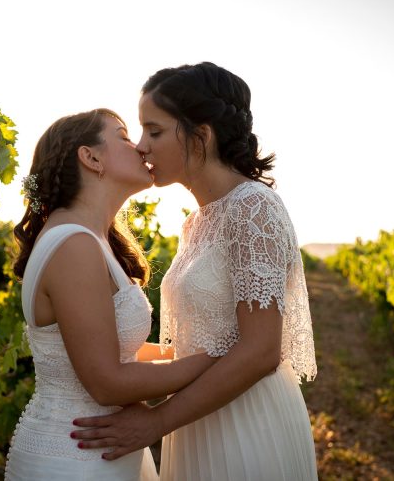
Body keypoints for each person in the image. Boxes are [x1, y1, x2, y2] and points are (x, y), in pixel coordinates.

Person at [72, 63, 319, 480]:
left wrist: (156, 421)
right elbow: (199, 341)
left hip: (248, 424)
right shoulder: (197, 222)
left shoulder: (253, 207)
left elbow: (260, 350)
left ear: (201, 135)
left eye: (154, 130)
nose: (141, 147)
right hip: (197, 421)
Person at [4, 108, 217, 481]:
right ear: (91, 157)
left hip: (100, 450)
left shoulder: (89, 239)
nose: (139, 146)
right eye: (122, 136)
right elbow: (107, 382)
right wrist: (218, 359)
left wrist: (186, 353)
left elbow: (119, 351)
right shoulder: (73, 244)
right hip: (74, 459)